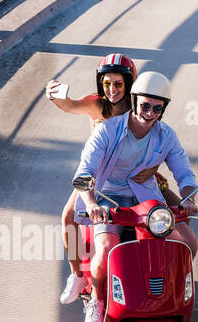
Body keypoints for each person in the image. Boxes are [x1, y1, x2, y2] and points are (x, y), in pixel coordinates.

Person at [72, 70, 198, 322]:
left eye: (157, 107)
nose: (150, 112)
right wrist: (92, 202)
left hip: (145, 197)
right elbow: (85, 172)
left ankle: (171, 292)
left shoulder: (167, 136)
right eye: (145, 105)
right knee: (106, 247)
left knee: (188, 242)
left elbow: (184, 173)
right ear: (134, 101)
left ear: (163, 109)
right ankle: (97, 299)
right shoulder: (107, 131)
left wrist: (189, 198)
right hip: (109, 198)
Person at [46, 54, 137, 304]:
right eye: (107, 84)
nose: (112, 89)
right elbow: (71, 105)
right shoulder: (98, 104)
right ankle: (77, 275)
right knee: (68, 216)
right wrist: (55, 94)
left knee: (175, 211)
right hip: (98, 174)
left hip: (133, 173)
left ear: (129, 83)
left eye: (118, 84)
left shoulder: (139, 106)